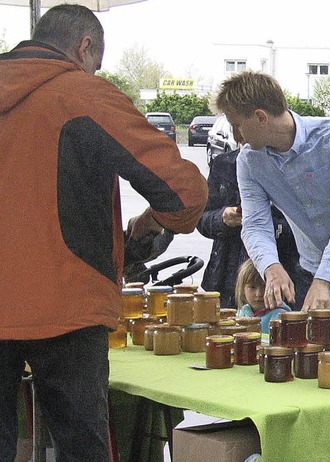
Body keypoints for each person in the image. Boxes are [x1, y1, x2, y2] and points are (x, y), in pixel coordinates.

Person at [0, 5, 208, 461]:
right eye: (98, 61)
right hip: (64, 300)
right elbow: (185, 192)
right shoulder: (82, 94)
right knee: (82, 450)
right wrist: (156, 220)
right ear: (85, 46)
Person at [214, 71, 330, 329]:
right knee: (316, 359)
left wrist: (324, 280)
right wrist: (271, 267)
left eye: (236, 124)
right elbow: (256, 224)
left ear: (260, 117)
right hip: (312, 270)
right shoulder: (249, 161)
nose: (236, 135)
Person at [196, 130, 298, 308]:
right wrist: (222, 219)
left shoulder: (289, 166)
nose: (238, 135)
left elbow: (305, 227)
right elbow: (201, 219)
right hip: (227, 277)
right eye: (234, 126)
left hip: (281, 276)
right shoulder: (222, 164)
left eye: (242, 125)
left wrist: (264, 225)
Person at [235, 259, 292, 334]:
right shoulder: (241, 313)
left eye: (265, 287)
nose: (258, 294)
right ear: (242, 289)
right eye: (252, 287)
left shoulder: (281, 316)